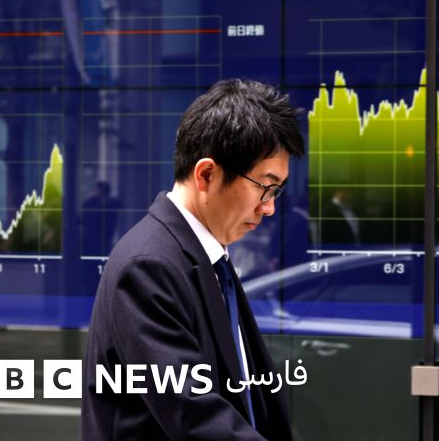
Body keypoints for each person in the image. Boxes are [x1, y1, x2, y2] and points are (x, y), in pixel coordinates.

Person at [82, 79, 303, 441]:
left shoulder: (208, 258)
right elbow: (193, 414)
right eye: (265, 186)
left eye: (277, 191)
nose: (269, 207)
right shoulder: (148, 265)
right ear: (207, 175)